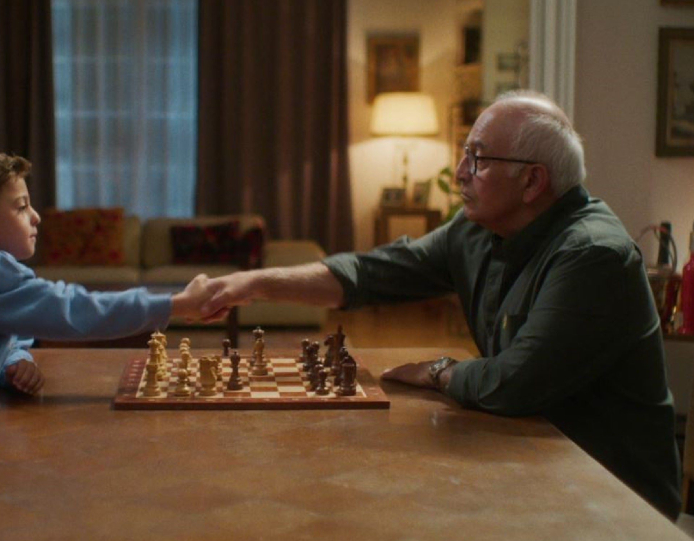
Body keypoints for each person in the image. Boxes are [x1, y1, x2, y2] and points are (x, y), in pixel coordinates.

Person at [200, 91, 681, 519]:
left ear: (532, 182)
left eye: (478, 158)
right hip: (532, 463)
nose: (460, 172)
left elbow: (514, 382)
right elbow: (369, 274)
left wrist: (439, 371)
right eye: (465, 154)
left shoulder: (593, 255)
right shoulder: (476, 231)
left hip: (613, 501)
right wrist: (252, 283)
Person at [0, 152, 212, 476]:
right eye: (21, 207)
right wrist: (176, 303)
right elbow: (74, 311)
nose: (36, 217)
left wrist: (12, 361)